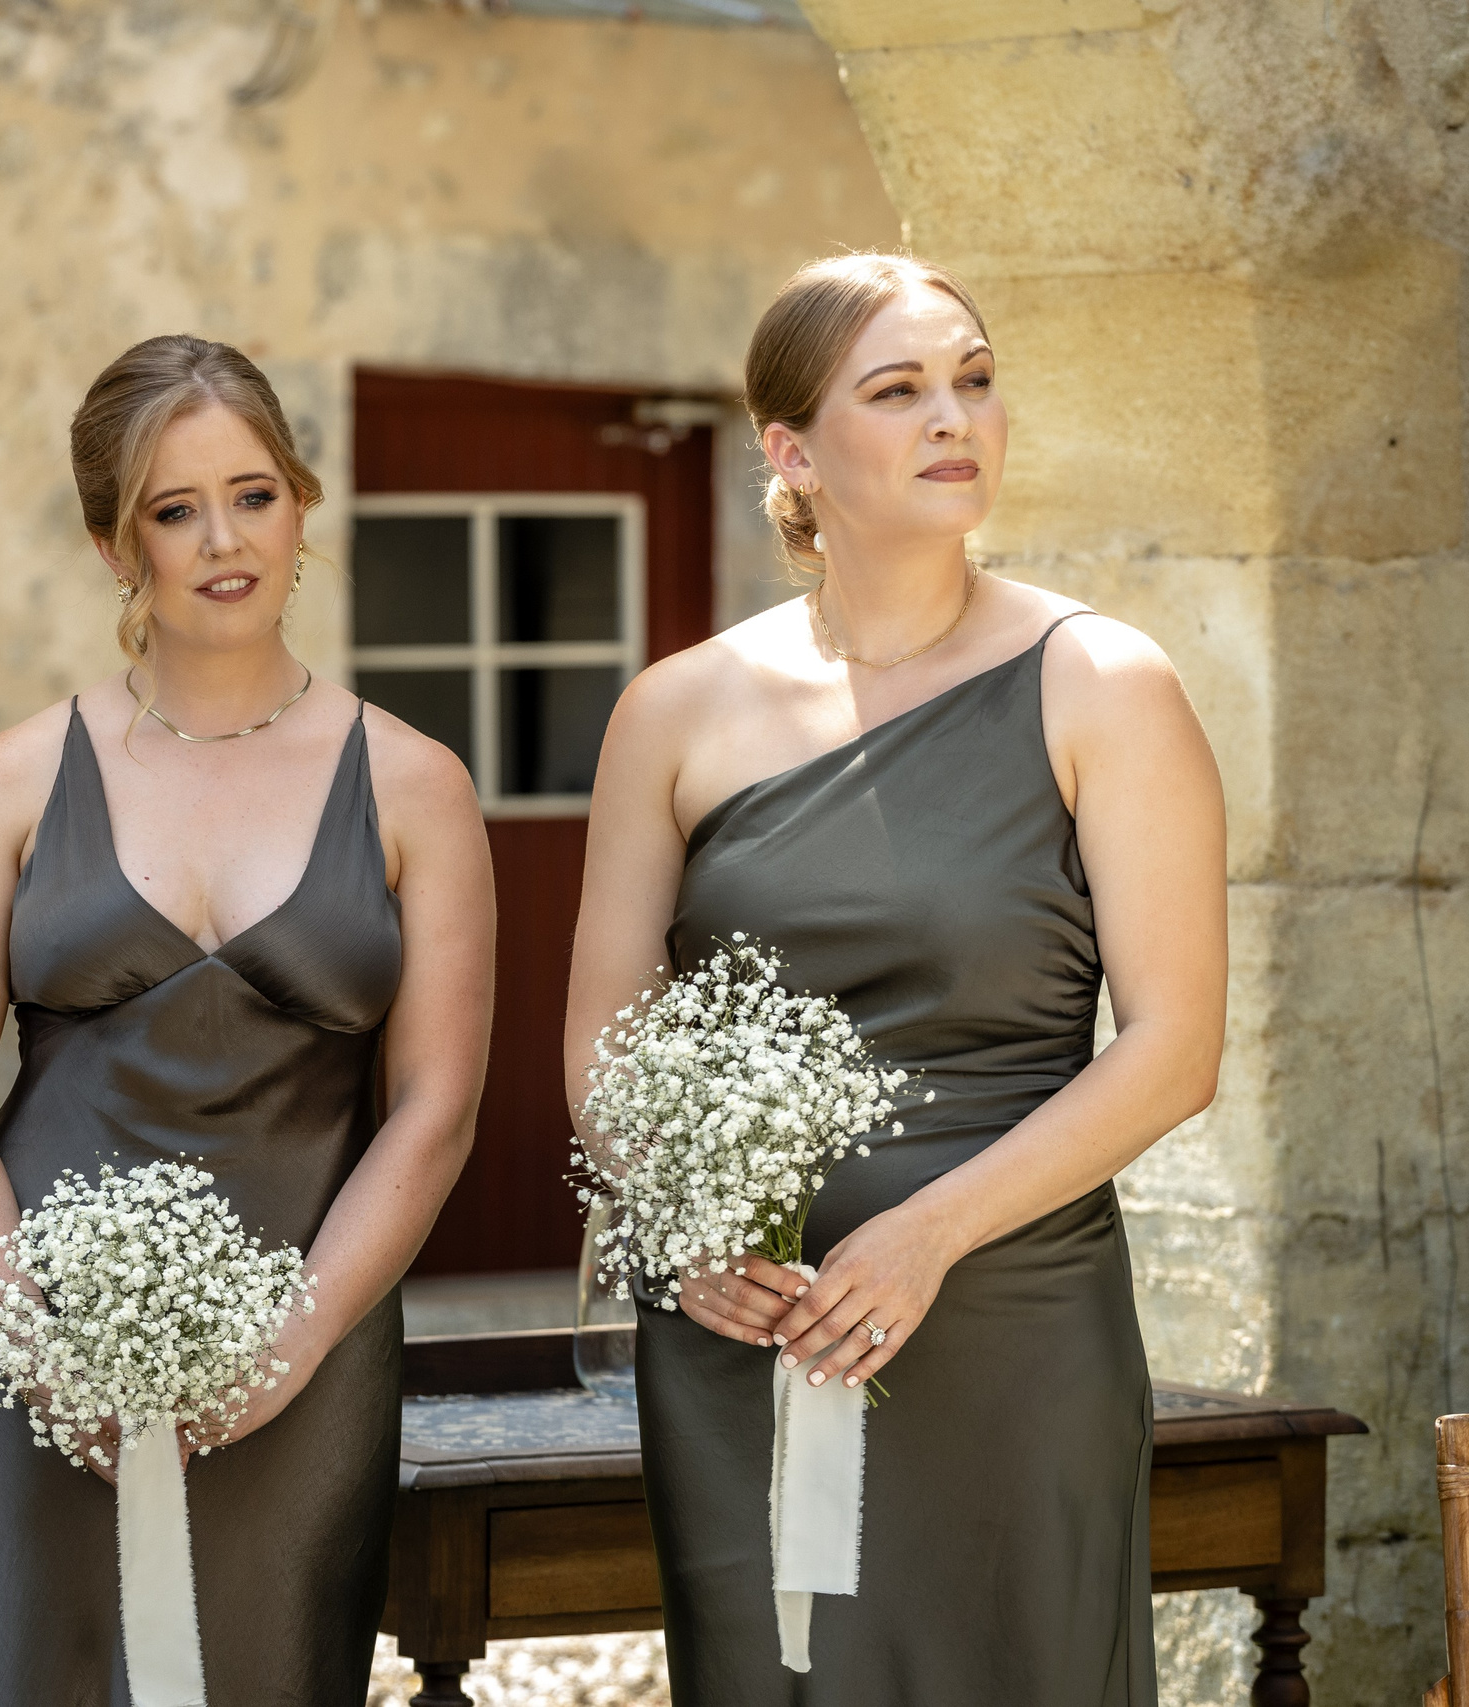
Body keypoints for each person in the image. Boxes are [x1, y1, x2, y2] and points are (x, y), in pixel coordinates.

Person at [564, 255, 1225, 1704]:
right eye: (901, 390)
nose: (955, 418)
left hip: (1007, 1328)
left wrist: (923, 1240)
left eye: (974, 380)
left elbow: (1176, 1050)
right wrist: (684, 1233)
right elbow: (608, 1045)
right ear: (791, 449)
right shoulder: (673, 712)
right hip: (743, 1338)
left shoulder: (1103, 685)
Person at [0, 334, 494, 1705]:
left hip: (311, 1343)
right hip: (41, 1339)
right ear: (117, 545)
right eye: (175, 509)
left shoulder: (415, 785)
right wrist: (34, 1339)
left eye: (255, 493)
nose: (225, 541)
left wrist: (293, 1343)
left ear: (301, 503)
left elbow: (435, 1110)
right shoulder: (17, 778)